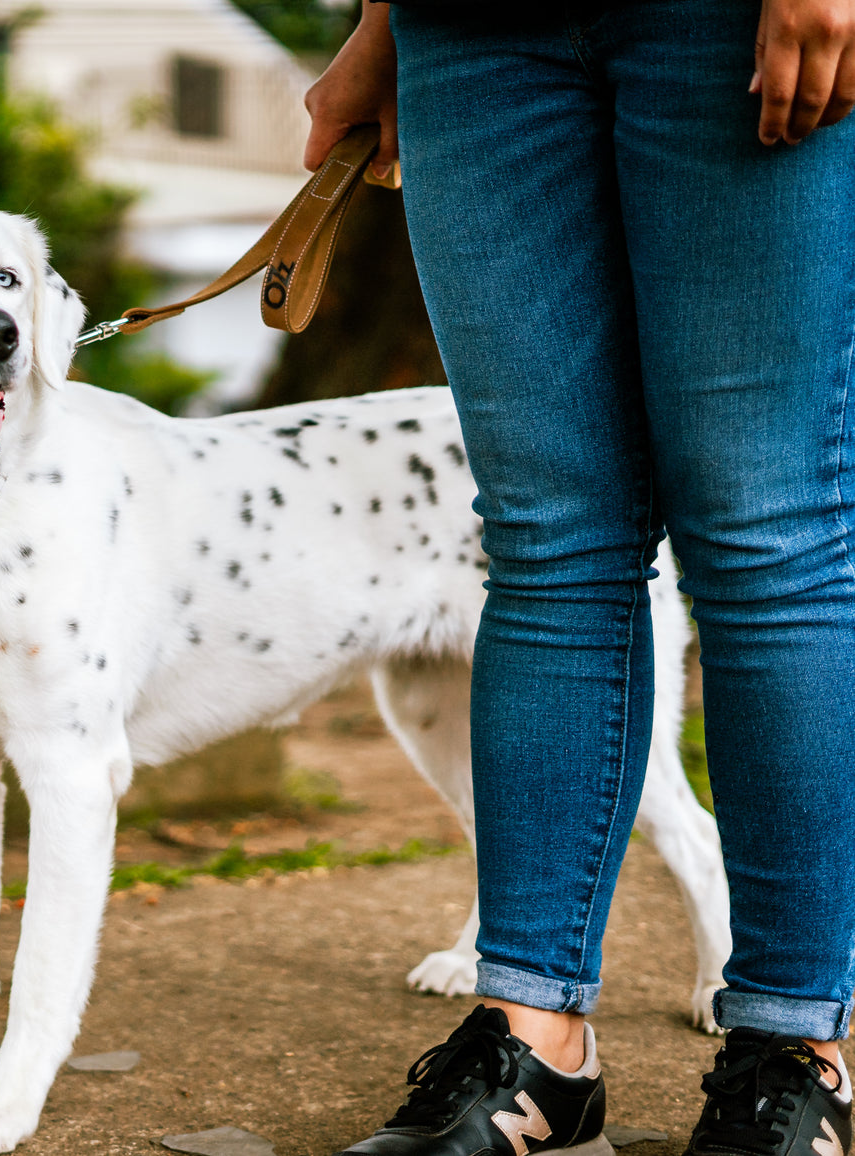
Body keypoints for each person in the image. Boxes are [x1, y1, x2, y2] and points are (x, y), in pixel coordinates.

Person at [302, 2, 855, 1154]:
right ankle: (533, 1048)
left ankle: (797, 1045)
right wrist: (381, 22)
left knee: (762, 533)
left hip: (725, 20)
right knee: (546, 539)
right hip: (472, 35)